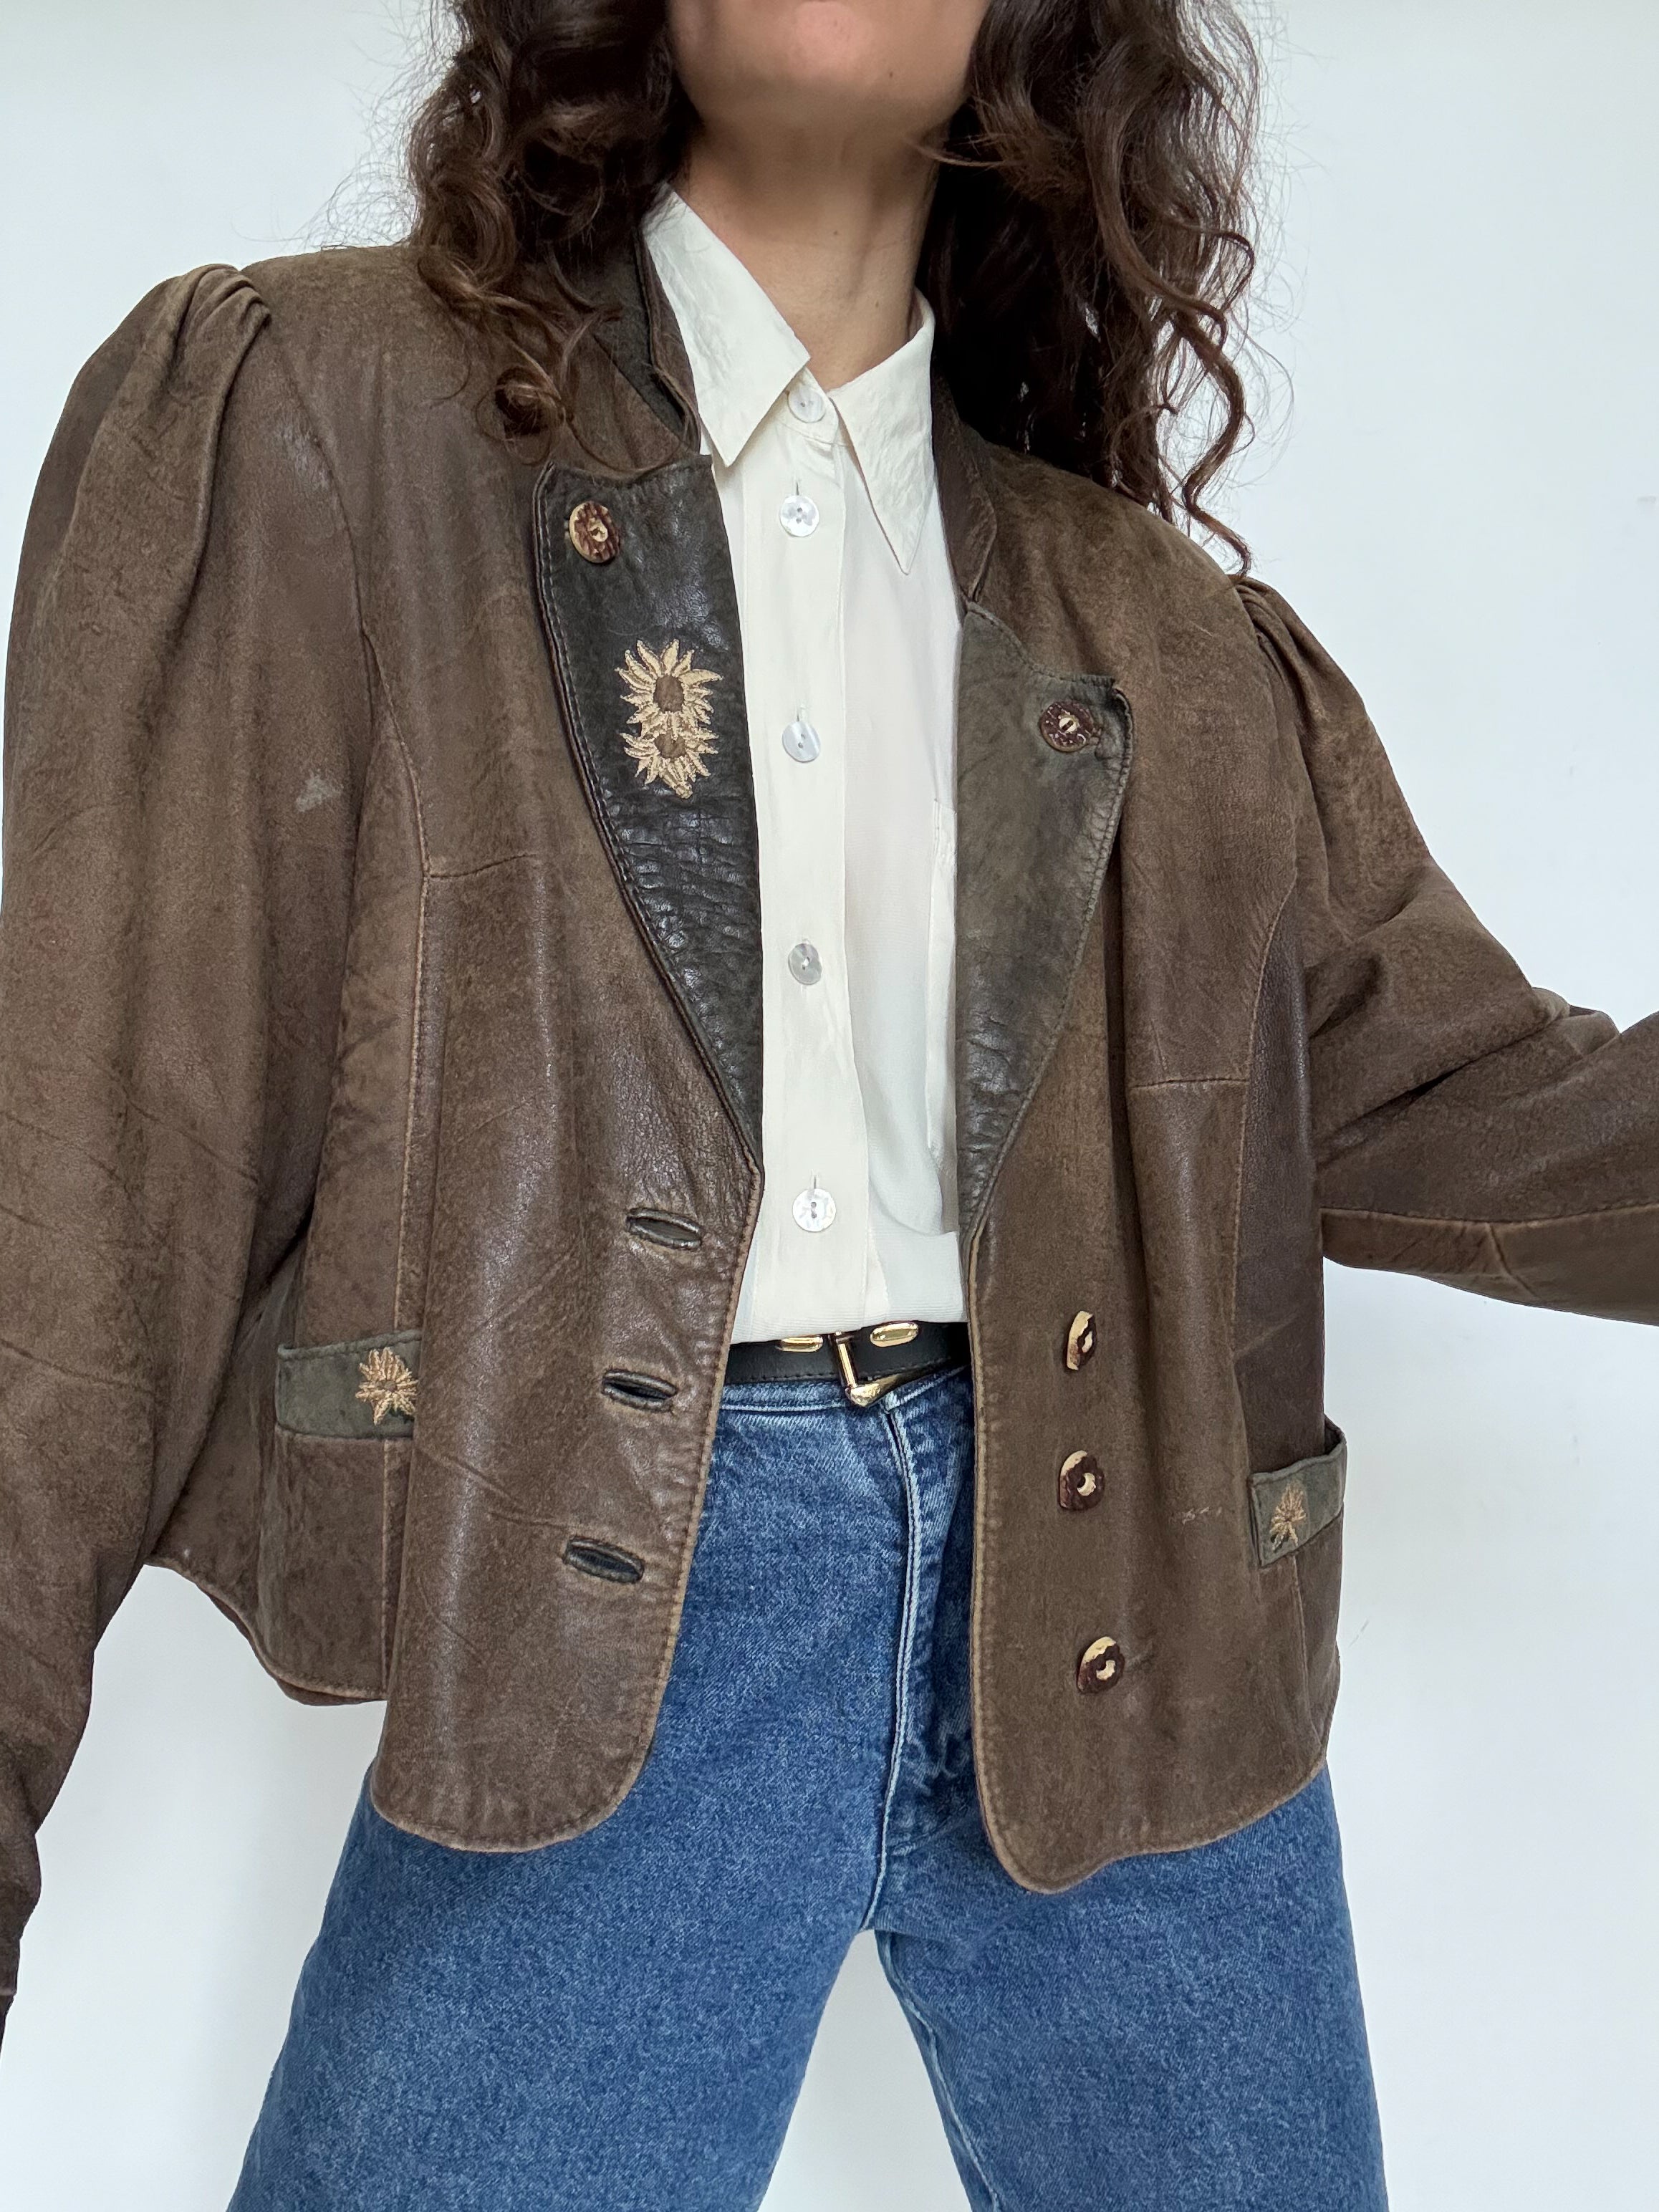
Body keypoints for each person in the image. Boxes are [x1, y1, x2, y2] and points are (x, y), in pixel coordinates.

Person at [1, 0, 1653, 2204]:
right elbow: (78, 1194)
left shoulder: (1140, 624)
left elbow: (1475, 1102)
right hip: (616, 1595)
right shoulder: (321, 415)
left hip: (1135, 1599)